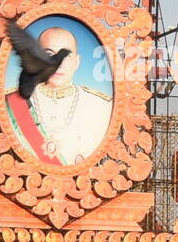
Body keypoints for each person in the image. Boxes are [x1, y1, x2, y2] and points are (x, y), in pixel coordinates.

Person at [7, 26, 112, 166]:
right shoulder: (11, 102)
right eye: (49, 54)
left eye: (67, 56)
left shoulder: (101, 106)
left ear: (77, 62)